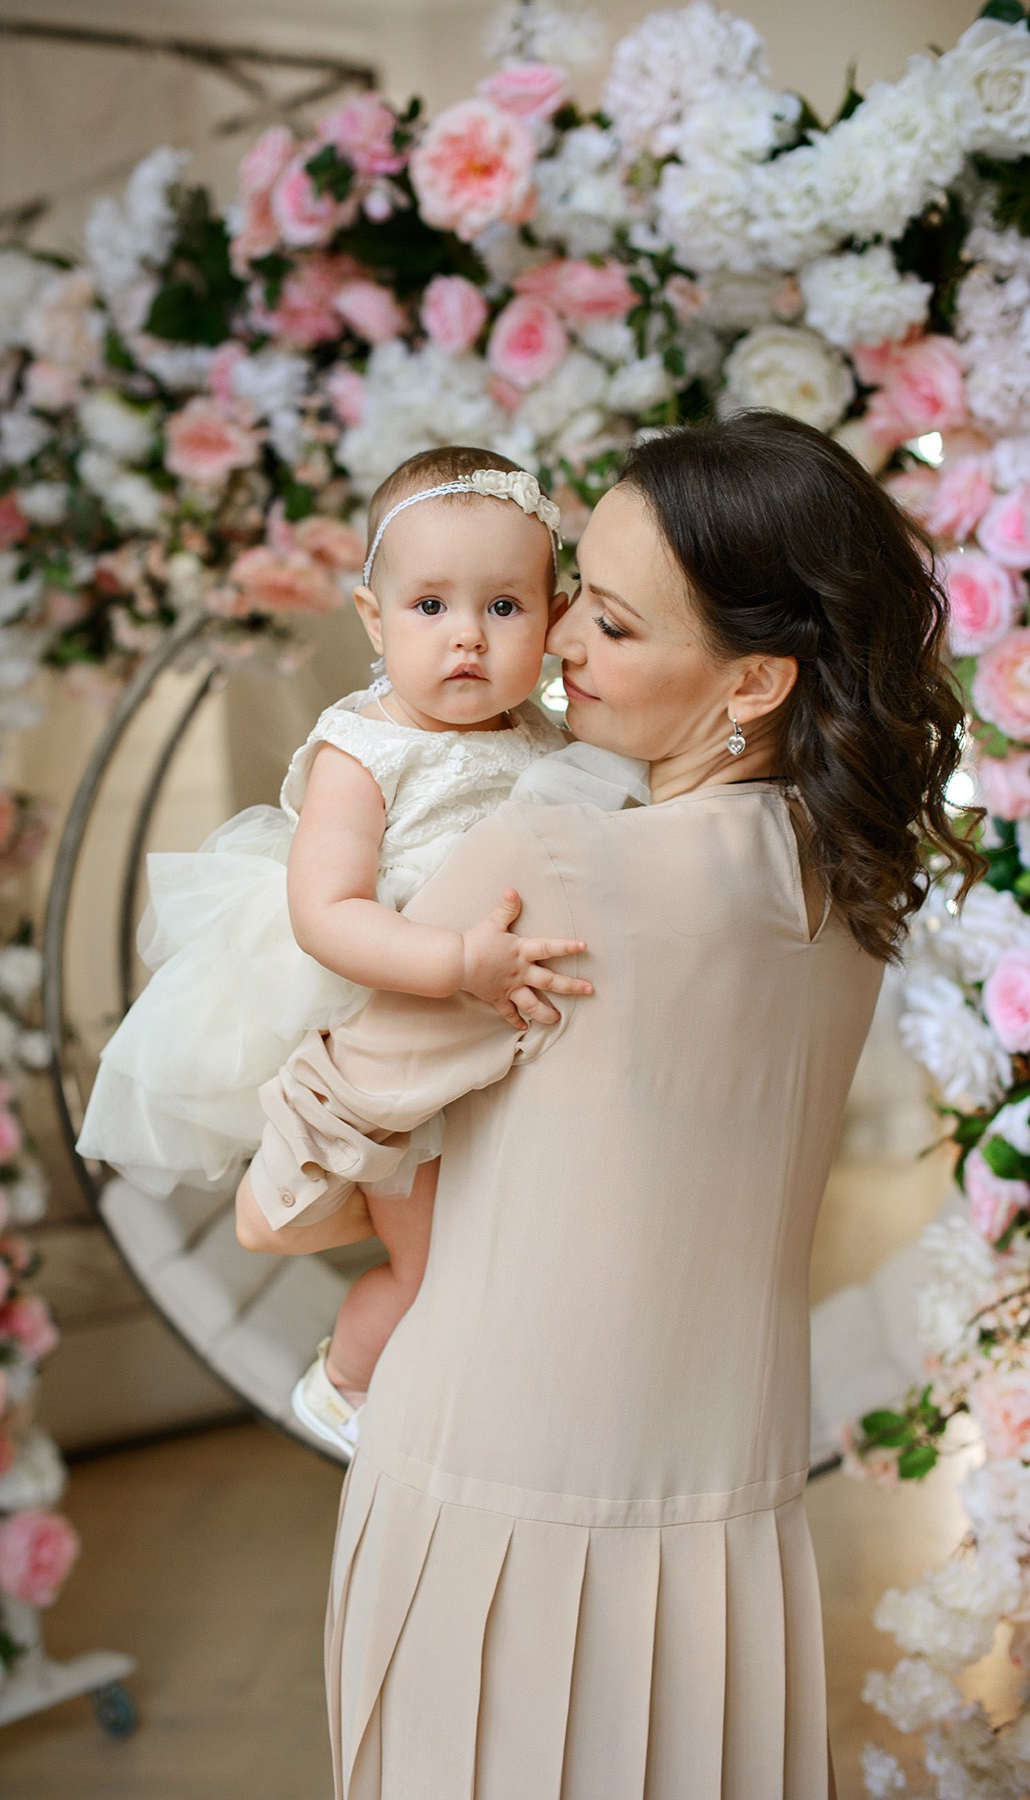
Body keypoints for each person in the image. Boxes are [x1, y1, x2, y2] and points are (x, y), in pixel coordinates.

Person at [236, 410, 983, 1800]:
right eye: (575, 590)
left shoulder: (552, 855)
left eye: (617, 626)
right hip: (726, 1507)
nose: (560, 641)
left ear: (753, 679)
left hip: (492, 1490)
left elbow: (282, 1193)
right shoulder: (848, 886)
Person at [76, 444, 649, 1455]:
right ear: (374, 620)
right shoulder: (363, 750)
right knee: (436, 1265)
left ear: (554, 613)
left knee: (533, 1237)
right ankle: (344, 1384)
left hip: (507, 1044)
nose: (467, 637)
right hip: (400, 1041)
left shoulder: (550, 741)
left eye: (504, 608)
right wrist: (451, 965)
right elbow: (327, 910)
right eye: (430, 607)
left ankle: (528, 1403)